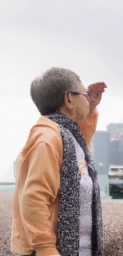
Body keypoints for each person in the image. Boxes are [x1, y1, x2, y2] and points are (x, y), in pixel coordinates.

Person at [11, 67, 107, 256]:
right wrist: (46, 249)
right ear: (68, 99)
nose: (87, 98)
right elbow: (34, 199)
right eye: (83, 94)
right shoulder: (47, 138)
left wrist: (91, 107)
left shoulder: (66, 134)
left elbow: (80, 150)